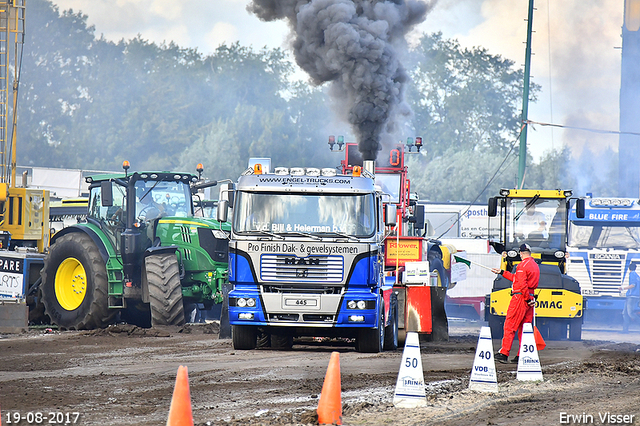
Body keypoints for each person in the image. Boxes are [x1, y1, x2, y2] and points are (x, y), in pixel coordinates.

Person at [491, 243, 540, 363]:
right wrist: (502, 272)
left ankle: (504, 353)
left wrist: (526, 298)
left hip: (520, 298)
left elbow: (521, 284)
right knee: (525, 327)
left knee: (510, 325)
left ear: (521, 253)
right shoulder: (534, 265)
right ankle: (521, 354)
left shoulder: (522, 265)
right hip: (530, 297)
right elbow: (516, 278)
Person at [620, 263, 640, 333]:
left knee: (630, 313)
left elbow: (633, 285)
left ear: (629, 268)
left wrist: (623, 288)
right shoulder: (637, 275)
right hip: (633, 296)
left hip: (632, 296)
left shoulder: (632, 274)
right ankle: (625, 330)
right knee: (625, 313)